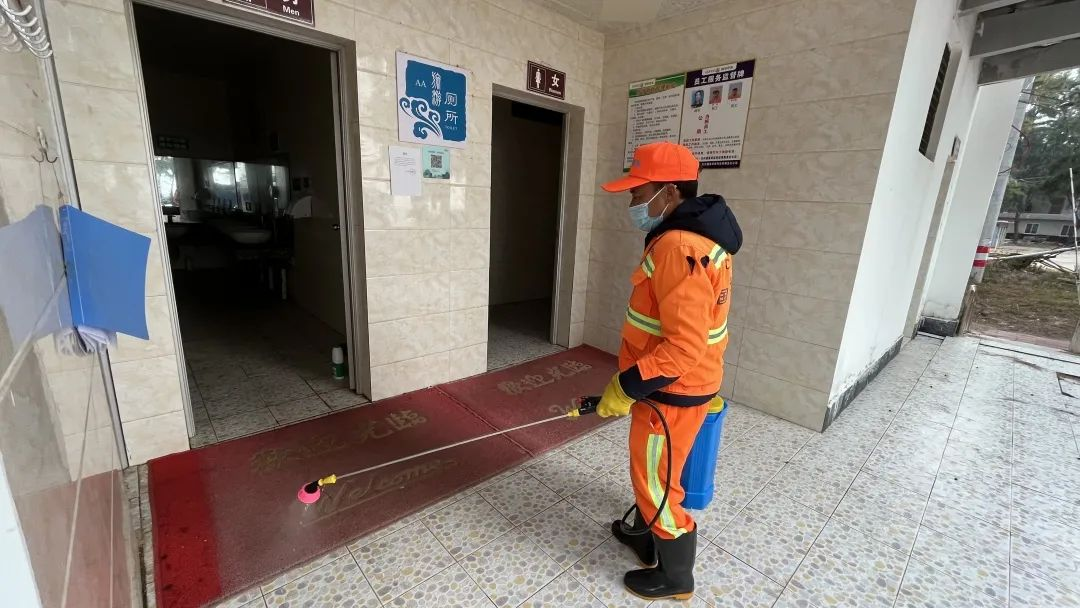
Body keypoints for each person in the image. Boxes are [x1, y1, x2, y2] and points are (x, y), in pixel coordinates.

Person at [596, 141, 741, 601]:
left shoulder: (680, 247)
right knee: (652, 467)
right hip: (673, 386)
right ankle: (645, 539)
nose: (633, 202)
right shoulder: (694, 237)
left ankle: (676, 578)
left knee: (658, 480)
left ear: (670, 191)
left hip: (671, 390)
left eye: (639, 193)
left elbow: (683, 347)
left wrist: (626, 386)